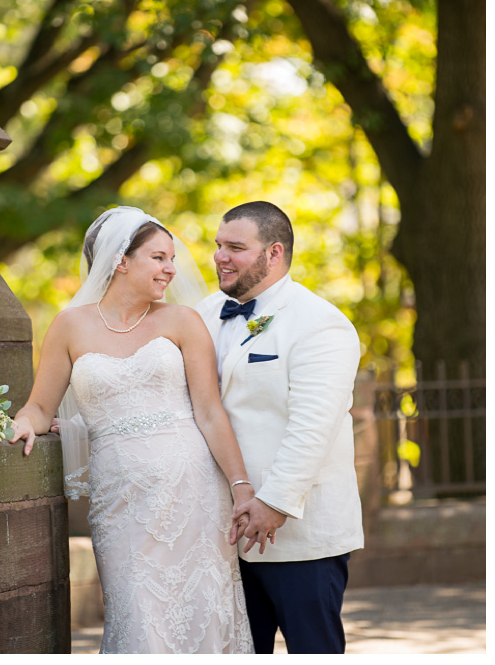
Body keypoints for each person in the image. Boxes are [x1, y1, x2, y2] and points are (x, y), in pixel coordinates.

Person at [9, 206, 255, 654]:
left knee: (203, 615)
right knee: (138, 618)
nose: (171, 270)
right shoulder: (70, 326)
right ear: (121, 260)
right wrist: (24, 424)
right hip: (120, 500)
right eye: (159, 257)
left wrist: (241, 487)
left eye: (171, 259)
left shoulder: (182, 322)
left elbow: (210, 412)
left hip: (195, 495)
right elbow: (41, 406)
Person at [196, 200, 365, 655]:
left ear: (274, 253)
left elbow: (313, 427)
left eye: (236, 247)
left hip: (298, 536)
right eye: (218, 246)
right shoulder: (205, 312)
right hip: (222, 529)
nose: (220, 257)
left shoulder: (321, 324)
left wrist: (274, 502)